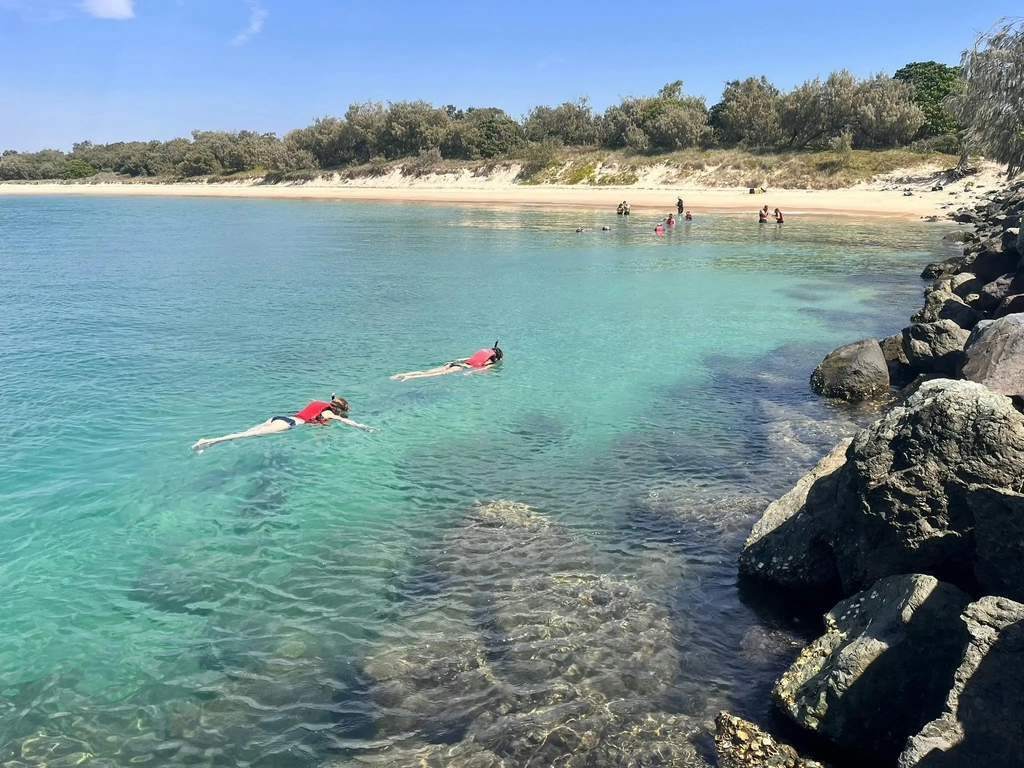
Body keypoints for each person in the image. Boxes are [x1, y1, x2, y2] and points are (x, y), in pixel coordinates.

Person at [191, 395, 376, 452]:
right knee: (245, 435)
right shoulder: (328, 411)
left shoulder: (320, 404)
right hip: (289, 424)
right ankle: (209, 440)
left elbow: (318, 401)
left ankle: (206, 445)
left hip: (279, 417)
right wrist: (362, 426)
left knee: (249, 431)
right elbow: (345, 421)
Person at [391, 342, 504, 381]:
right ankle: (409, 378)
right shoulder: (490, 362)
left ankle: (403, 374)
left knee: (427, 371)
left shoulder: (482, 352)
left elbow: (463, 359)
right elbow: (482, 369)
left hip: (454, 363)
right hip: (461, 368)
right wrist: (470, 372)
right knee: (434, 374)